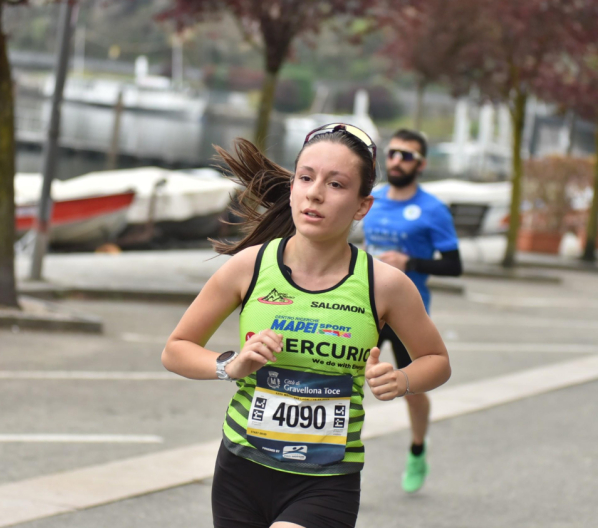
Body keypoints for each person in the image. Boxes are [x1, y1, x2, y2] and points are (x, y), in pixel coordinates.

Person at [161, 123, 451, 528]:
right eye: (306, 178)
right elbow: (176, 349)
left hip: (327, 480)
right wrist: (232, 364)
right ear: (293, 186)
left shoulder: (384, 284)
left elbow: (436, 359)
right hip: (241, 470)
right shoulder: (250, 266)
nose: (315, 193)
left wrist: (400, 380)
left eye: (336, 184)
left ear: (362, 206)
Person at [361, 129, 462, 493]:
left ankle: (418, 448)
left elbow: (454, 266)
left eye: (407, 155)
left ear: (421, 164)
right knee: (345, 381)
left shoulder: (433, 210)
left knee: (413, 390)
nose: (397, 160)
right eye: (393, 153)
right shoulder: (372, 200)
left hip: (407, 314)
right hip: (367, 308)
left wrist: (410, 260)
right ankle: (333, 463)